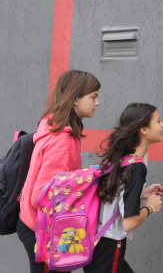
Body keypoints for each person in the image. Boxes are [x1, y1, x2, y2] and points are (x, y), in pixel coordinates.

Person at [17, 70, 103, 273]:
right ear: (75, 99)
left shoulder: (55, 127)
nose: (97, 103)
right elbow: (41, 194)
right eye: (93, 97)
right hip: (42, 230)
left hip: (41, 225)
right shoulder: (62, 140)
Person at [86, 103, 163, 273]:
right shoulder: (137, 167)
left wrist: (142, 194)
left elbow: (114, 197)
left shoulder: (122, 158)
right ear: (143, 129)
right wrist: (149, 207)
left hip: (95, 243)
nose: (162, 125)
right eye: (158, 121)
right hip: (109, 250)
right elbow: (129, 223)